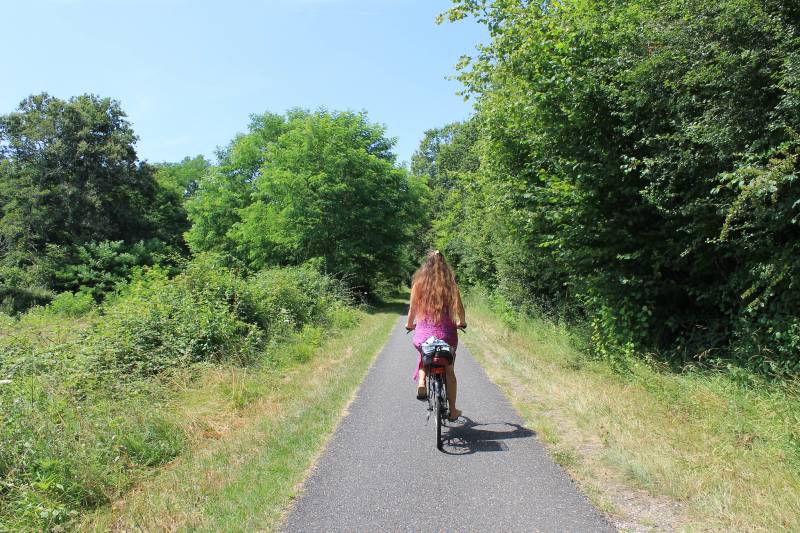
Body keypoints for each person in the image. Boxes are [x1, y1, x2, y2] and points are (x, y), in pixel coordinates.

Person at [405, 250, 466, 421]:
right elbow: (460, 310)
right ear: (444, 266)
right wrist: (462, 322)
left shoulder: (418, 284)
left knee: (426, 352)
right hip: (447, 336)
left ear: (427, 265)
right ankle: (453, 410)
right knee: (449, 369)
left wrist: (410, 325)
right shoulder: (451, 285)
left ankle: (422, 382)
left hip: (424, 335)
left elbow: (412, 310)